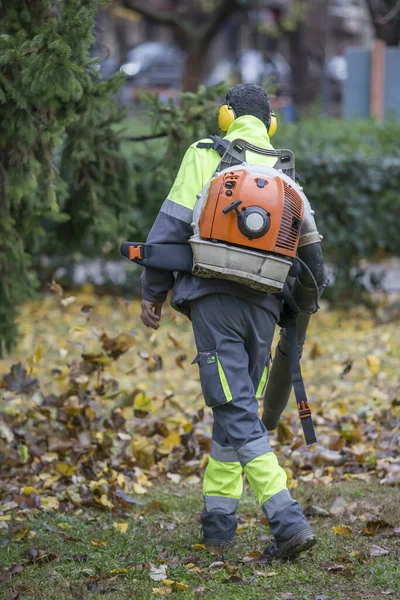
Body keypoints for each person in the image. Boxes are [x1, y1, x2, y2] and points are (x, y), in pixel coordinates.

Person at [140, 84, 325, 560]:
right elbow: (313, 264)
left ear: (226, 116)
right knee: (235, 404)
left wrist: (153, 292)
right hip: (265, 308)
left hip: (212, 298)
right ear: (271, 123)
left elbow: (170, 225)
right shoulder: (286, 172)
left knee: (234, 404)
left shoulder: (206, 153)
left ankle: (286, 518)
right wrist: (296, 317)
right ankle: (219, 524)